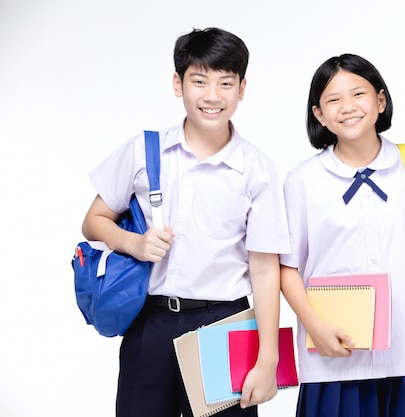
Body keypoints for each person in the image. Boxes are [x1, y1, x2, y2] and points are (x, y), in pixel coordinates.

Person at [81, 27, 290, 417]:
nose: (212, 96)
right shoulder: (145, 150)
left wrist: (267, 359)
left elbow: (264, 270)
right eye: (199, 81)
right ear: (178, 84)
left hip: (224, 325)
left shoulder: (258, 171)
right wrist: (134, 243)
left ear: (242, 89)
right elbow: (93, 221)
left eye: (226, 83)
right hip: (152, 322)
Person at [279, 53, 405, 417]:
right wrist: (316, 329)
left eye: (358, 94)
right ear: (318, 114)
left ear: (380, 101)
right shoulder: (302, 181)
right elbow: (287, 268)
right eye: (333, 100)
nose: (347, 107)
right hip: (333, 361)